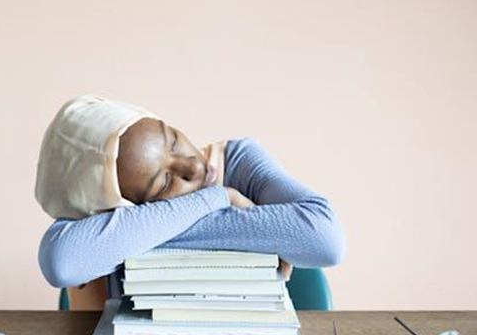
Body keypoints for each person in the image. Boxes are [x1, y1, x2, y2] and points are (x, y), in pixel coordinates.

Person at [35, 93, 347, 310]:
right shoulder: (91, 212)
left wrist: (149, 229)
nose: (194, 166)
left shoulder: (237, 161)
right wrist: (217, 198)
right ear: (119, 207)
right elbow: (62, 262)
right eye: (165, 182)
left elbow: (326, 239)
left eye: (172, 139)